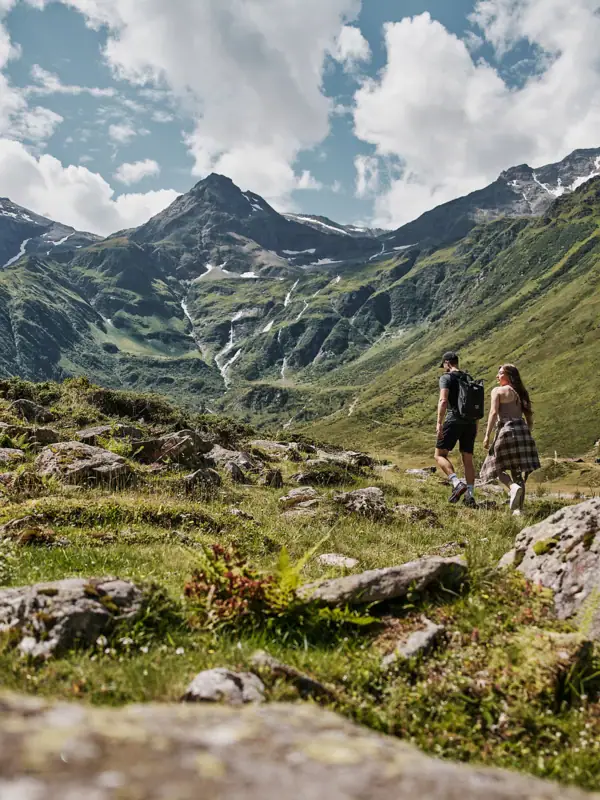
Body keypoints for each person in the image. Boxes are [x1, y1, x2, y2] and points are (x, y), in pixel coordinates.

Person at [480, 363, 541, 514]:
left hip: (506, 430)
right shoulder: (522, 393)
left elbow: (493, 413)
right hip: (522, 431)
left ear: (509, 375)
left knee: (494, 466)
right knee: (517, 471)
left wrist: (487, 435)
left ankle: (512, 487)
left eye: (500, 373)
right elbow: (529, 418)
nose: (497, 376)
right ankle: (519, 510)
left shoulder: (498, 391)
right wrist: (526, 433)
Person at [435, 351, 478, 506]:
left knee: (439, 455)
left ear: (447, 363)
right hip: (470, 422)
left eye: (444, 365)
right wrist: (475, 425)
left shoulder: (446, 378)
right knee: (468, 460)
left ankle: (456, 483)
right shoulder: (468, 378)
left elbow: (443, 400)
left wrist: (439, 423)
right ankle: (470, 496)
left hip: (453, 419)